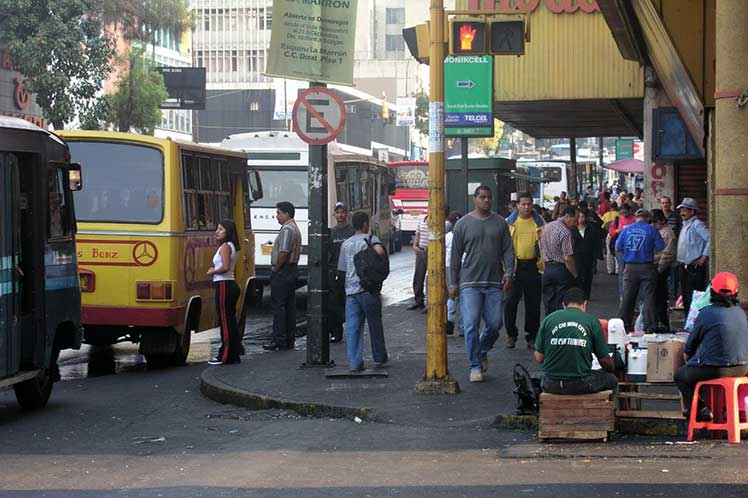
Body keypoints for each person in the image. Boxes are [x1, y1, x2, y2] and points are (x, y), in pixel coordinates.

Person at [449, 185, 515, 382]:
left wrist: (509, 272)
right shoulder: (462, 224)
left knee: (495, 324)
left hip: (494, 282)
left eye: (489, 198)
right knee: (470, 324)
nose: (486, 201)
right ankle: (475, 366)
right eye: (482, 197)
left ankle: (482, 349)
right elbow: (455, 256)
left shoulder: (500, 223)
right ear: (475, 199)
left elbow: (508, 250)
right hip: (469, 283)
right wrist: (453, 283)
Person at [675, 272, 748, 421]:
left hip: (716, 368)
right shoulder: (740, 313)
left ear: (712, 292)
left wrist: (687, 357)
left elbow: (691, 345)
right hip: (743, 367)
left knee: (681, 375)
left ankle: (699, 411)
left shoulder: (706, 313)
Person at [534, 288, 618, 395]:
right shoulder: (591, 321)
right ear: (584, 304)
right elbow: (604, 359)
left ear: (563, 305)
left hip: (550, 384)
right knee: (612, 380)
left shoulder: (548, 319)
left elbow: (538, 357)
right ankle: (610, 411)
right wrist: (611, 367)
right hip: (580, 383)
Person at [338, 211, 389, 371]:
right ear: (366, 224)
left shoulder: (346, 244)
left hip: (351, 292)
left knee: (353, 328)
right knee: (375, 324)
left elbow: (342, 269)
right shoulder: (371, 240)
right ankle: (379, 357)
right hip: (368, 289)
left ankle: (354, 362)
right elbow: (380, 252)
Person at [505, 192, 544, 349]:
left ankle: (532, 336)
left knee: (533, 303)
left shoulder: (540, 222)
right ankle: (511, 335)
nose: (527, 207)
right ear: (517, 205)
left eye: (529, 204)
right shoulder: (509, 222)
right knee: (510, 302)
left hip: (534, 266)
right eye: (523, 204)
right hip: (514, 266)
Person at [616, 209, 664, 333]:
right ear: (648, 218)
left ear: (636, 217)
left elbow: (618, 247)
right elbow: (660, 247)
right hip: (647, 267)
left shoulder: (626, 229)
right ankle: (650, 327)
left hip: (630, 267)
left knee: (628, 297)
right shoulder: (651, 230)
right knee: (649, 297)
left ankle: (623, 325)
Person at [263, 201, 302, 351]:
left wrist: (276, 268)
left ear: (287, 214)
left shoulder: (287, 229)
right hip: (291, 270)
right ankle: (288, 338)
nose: (276, 216)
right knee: (288, 305)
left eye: (278, 213)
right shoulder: (293, 227)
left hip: (284, 270)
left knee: (279, 306)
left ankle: (279, 339)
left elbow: (284, 251)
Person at [207, 219, 241, 365]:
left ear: (228, 232)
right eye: (217, 229)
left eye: (220, 229)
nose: (217, 232)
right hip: (228, 284)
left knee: (226, 322)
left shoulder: (226, 247)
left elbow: (225, 267)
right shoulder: (231, 246)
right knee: (230, 320)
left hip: (224, 284)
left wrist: (212, 271)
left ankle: (226, 355)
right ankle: (233, 353)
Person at [540, 206, 578, 315]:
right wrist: (575, 274)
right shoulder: (566, 233)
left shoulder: (547, 227)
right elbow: (568, 258)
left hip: (548, 268)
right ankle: (559, 325)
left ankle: (549, 324)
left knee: (548, 301)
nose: (575, 224)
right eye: (574, 220)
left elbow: (541, 248)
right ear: (567, 217)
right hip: (561, 269)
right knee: (560, 302)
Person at [677, 197, 710, 314]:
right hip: (684, 266)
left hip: (694, 268)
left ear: (692, 211)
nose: (682, 212)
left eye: (685, 210)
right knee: (686, 296)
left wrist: (704, 256)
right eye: (681, 210)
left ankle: (694, 321)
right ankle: (688, 321)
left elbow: (710, 239)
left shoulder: (697, 225)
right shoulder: (685, 224)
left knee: (694, 296)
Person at [328, 202, 355, 342]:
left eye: (342, 212)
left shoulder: (352, 232)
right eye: (338, 212)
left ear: (347, 214)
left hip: (350, 272)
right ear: (334, 214)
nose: (340, 215)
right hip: (335, 272)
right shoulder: (331, 233)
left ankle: (351, 330)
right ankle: (336, 332)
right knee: (334, 303)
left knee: (350, 302)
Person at [651, 209, 676, 330]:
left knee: (660, 295)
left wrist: (659, 268)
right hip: (657, 266)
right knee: (657, 296)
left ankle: (662, 321)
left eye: (655, 222)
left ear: (661, 221)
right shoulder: (659, 231)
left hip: (661, 268)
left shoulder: (667, 233)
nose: (653, 225)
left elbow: (667, 254)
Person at [573, 209, 602, 299]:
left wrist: (597, 254)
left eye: (583, 217)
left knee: (588, 275)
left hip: (588, 255)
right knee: (578, 274)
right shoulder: (573, 230)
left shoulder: (591, 229)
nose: (581, 219)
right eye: (579, 217)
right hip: (577, 255)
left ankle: (586, 294)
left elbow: (597, 242)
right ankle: (578, 293)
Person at [608, 203, 636, 297]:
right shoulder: (617, 220)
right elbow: (611, 232)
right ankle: (623, 293)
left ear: (629, 211)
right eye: (622, 213)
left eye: (625, 212)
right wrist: (617, 231)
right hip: (620, 248)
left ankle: (631, 291)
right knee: (622, 269)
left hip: (633, 248)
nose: (624, 214)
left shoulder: (634, 220)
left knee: (632, 270)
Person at [407, 215, 430, 311]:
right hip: (421, 250)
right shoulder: (422, 221)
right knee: (418, 276)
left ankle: (429, 302)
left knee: (431, 278)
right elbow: (418, 234)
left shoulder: (438, 221)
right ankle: (418, 300)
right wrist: (415, 245)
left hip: (431, 251)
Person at [445, 211, 463, 336]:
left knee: (451, 295)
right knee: (463, 297)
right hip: (463, 267)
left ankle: (450, 319)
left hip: (449, 267)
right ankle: (462, 327)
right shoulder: (464, 237)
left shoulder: (446, 238)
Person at [602, 202, 620, 275]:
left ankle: (610, 270)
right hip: (617, 234)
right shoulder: (619, 214)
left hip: (609, 234)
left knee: (609, 252)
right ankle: (617, 269)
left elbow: (602, 226)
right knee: (617, 251)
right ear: (616, 207)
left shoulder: (606, 215)